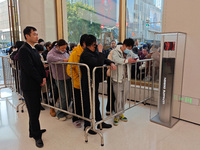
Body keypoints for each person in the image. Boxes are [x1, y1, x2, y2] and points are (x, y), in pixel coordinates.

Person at [80, 34, 116, 135]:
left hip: (94, 82)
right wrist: (100, 51)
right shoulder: (86, 54)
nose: (96, 46)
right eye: (94, 45)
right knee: (87, 104)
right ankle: (87, 125)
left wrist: (111, 62)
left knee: (96, 102)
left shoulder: (94, 51)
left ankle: (99, 122)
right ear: (89, 45)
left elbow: (103, 59)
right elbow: (98, 63)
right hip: (87, 83)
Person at [18, 26, 46, 148]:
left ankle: (32, 131)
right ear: (27, 36)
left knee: (34, 109)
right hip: (29, 85)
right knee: (33, 110)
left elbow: (39, 65)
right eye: (34, 34)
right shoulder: (24, 50)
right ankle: (37, 136)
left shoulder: (33, 49)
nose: (36, 36)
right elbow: (29, 68)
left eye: (36, 33)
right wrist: (40, 79)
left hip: (35, 83)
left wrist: (44, 77)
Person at [111, 38, 138, 126]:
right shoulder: (115, 51)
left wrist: (135, 58)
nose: (129, 50)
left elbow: (135, 55)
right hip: (117, 79)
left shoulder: (129, 52)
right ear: (124, 46)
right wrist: (127, 61)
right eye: (128, 48)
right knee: (118, 98)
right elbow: (116, 60)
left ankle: (121, 113)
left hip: (126, 79)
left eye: (130, 49)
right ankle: (116, 115)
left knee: (124, 98)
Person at [47, 39, 72, 121]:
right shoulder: (52, 53)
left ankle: (64, 111)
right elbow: (49, 58)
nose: (64, 49)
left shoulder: (65, 52)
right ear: (57, 46)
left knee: (69, 96)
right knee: (64, 96)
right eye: (63, 48)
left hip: (68, 76)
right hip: (59, 78)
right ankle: (59, 113)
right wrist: (62, 60)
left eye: (65, 48)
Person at [67, 34, 88, 128]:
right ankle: (76, 118)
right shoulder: (75, 53)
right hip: (78, 83)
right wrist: (77, 79)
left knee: (85, 101)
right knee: (77, 101)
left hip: (87, 82)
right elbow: (69, 69)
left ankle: (84, 116)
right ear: (84, 43)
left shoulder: (88, 51)